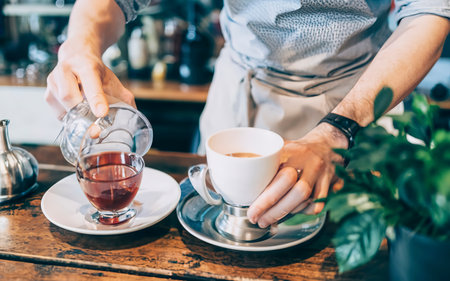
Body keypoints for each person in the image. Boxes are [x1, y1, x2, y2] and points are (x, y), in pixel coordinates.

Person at [45, 0, 450, 229]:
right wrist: (79, 44)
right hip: (241, 89)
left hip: (358, 96)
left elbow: (428, 15)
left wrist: (339, 130)